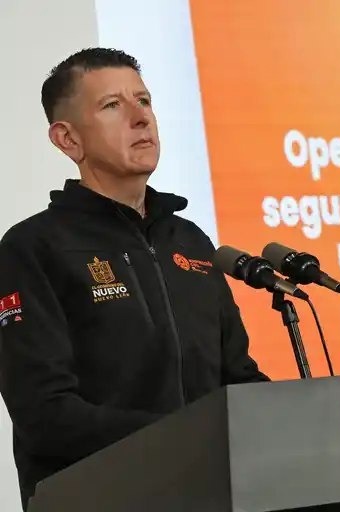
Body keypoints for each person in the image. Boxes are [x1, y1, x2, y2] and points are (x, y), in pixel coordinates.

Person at [0, 47, 269, 510]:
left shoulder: (189, 240)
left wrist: (301, 419)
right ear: (68, 140)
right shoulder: (32, 248)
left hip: (213, 495)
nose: (141, 117)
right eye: (112, 105)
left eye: (143, 100)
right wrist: (188, 438)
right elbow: (45, 415)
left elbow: (237, 378)